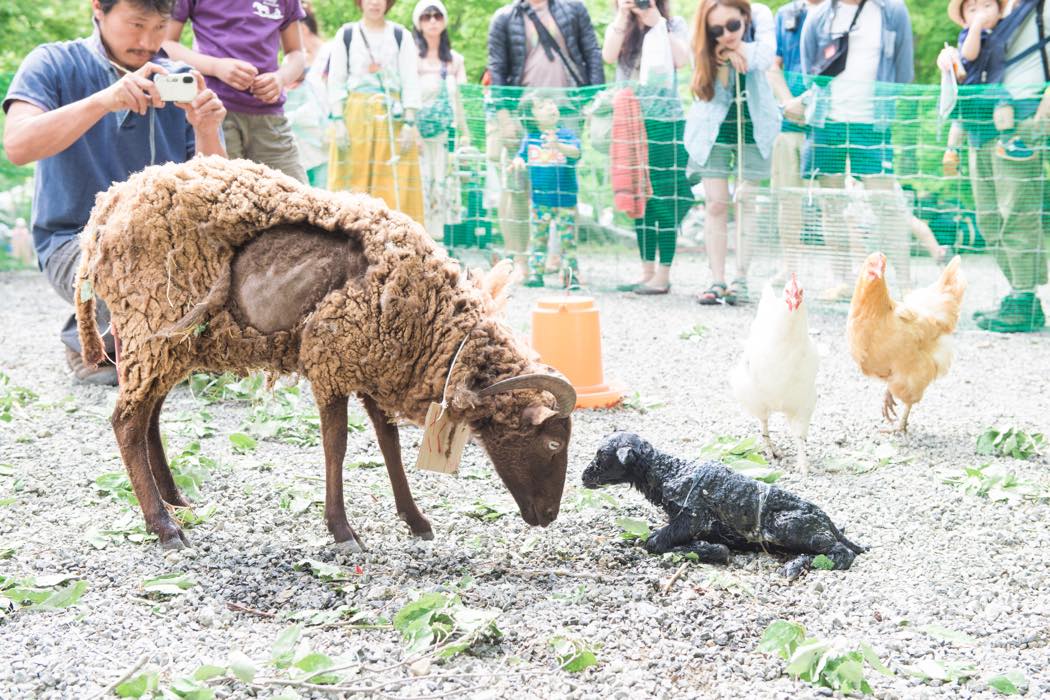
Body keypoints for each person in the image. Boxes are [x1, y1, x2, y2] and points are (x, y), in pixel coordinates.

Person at [2, 0, 226, 386]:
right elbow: (18, 145)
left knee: (237, 273)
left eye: (159, 27)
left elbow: (218, 193)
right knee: (139, 281)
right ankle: (92, 339)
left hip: (168, 244)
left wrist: (206, 128)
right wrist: (105, 100)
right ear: (98, 9)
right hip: (75, 244)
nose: (147, 41)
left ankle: (126, 334)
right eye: (136, 24)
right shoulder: (53, 63)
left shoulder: (181, 79)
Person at [937, 0, 1048, 332]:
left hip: (1021, 123)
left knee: (1018, 213)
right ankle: (1019, 294)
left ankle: (1024, 299)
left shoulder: (1038, 10)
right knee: (988, 217)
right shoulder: (983, 11)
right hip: (978, 126)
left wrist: (1042, 118)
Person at [800, 0, 914, 301]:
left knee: (886, 203)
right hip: (827, 120)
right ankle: (840, 279)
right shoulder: (819, 15)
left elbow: (903, 72)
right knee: (832, 204)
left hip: (872, 121)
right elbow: (808, 70)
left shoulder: (893, 12)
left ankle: (903, 283)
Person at [488, 0, 604, 277]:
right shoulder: (504, 17)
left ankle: (561, 260)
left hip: (569, 106)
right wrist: (504, 115)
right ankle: (521, 262)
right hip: (523, 110)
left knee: (564, 186)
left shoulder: (573, 8)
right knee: (516, 185)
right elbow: (497, 67)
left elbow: (592, 53)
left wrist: (592, 101)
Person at [685, 0, 779, 306]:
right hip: (712, 127)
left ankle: (741, 278)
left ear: (744, 17)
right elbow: (699, 74)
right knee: (716, 204)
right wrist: (720, 56)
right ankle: (717, 280)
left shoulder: (762, 14)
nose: (726, 34)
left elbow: (765, 57)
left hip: (756, 124)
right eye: (717, 31)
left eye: (733, 26)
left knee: (747, 202)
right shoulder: (702, 38)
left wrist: (735, 50)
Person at [602, 0, 694, 295]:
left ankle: (664, 273)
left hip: (666, 123)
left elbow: (682, 60)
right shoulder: (621, 25)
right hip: (630, 123)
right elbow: (608, 55)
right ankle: (647, 272)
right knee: (636, 196)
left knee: (665, 196)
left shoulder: (673, 24)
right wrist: (624, 14)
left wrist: (658, 22)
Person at [163, 0, 307, 182]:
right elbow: (166, 43)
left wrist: (281, 78)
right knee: (221, 195)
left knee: (296, 197)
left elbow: (296, 53)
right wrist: (216, 66)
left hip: (270, 118)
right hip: (214, 113)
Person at [326, 0, 424, 223]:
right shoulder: (346, 34)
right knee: (352, 180)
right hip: (355, 114)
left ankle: (395, 239)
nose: (375, 3)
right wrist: (338, 119)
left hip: (393, 116)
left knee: (392, 181)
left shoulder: (401, 35)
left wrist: (410, 123)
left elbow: (410, 80)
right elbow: (336, 80)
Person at [766, 0, 819, 281]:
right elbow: (772, 66)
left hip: (829, 126)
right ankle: (790, 267)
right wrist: (789, 102)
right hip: (789, 123)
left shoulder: (843, 12)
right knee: (787, 199)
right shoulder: (785, 15)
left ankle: (844, 275)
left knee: (837, 203)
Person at [412, 0, 471, 240]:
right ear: (419, 23)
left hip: (447, 135)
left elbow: (462, 100)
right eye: (427, 17)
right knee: (422, 187)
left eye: (437, 16)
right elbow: (407, 97)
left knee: (444, 186)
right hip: (420, 137)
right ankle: (419, 241)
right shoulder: (412, 58)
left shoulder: (455, 60)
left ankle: (440, 243)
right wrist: (412, 130)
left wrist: (466, 132)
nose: (433, 21)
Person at [512, 91, 582, 289]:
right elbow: (521, 156)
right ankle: (536, 274)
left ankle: (571, 275)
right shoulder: (530, 139)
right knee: (538, 238)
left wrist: (558, 145)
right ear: (532, 117)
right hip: (539, 200)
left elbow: (576, 153)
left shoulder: (566, 135)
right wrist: (517, 162)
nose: (551, 107)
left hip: (565, 200)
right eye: (542, 106)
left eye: (552, 102)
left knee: (568, 240)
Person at [284, 2, 332, 187]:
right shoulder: (298, 60)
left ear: (301, 29)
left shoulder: (329, 52)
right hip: (303, 142)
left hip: (325, 133)